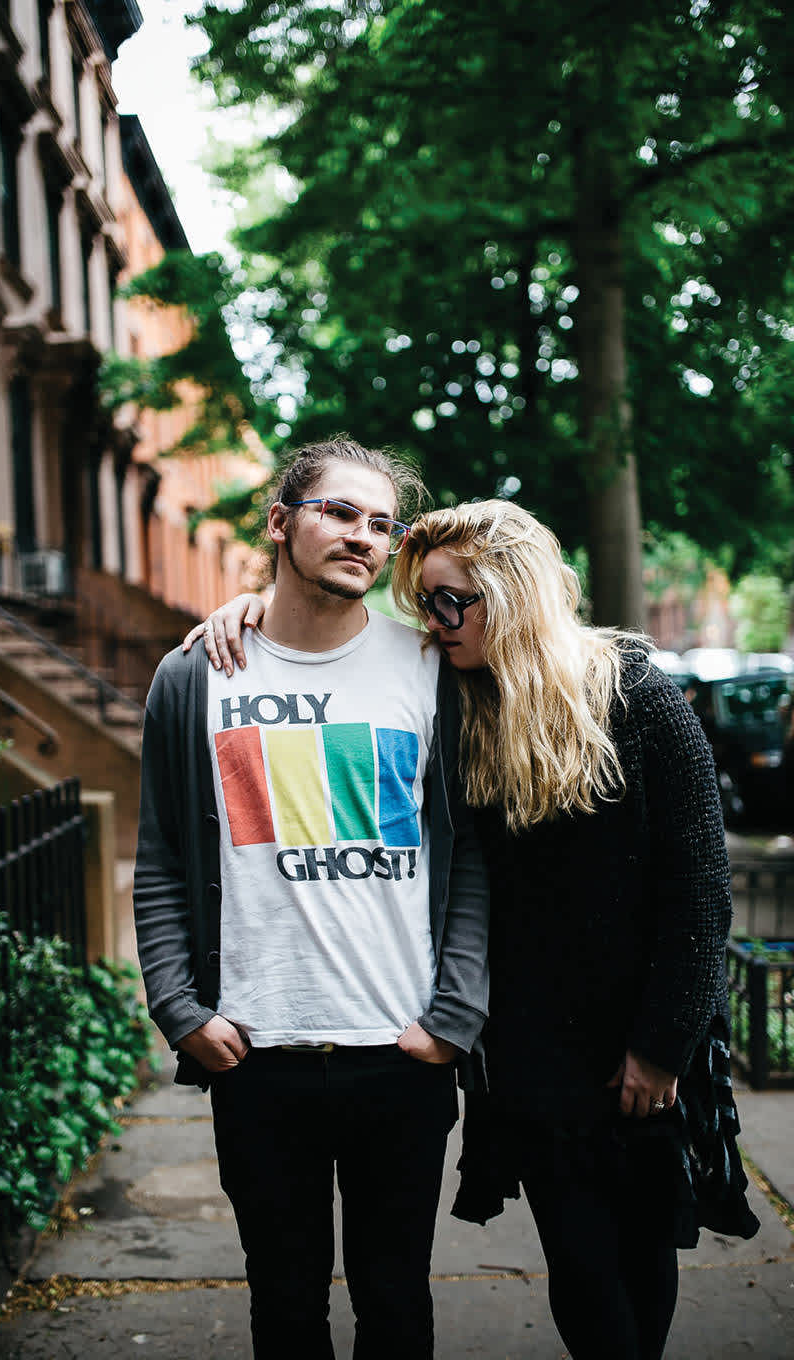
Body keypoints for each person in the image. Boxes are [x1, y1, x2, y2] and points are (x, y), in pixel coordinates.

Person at [190, 498, 757, 1359]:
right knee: (582, 1275)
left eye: (456, 601)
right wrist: (248, 611)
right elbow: (334, 651)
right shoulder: (460, 694)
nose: (436, 621)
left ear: (516, 593)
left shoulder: (635, 693)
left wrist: (664, 1044)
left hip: (639, 1044)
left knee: (640, 1264)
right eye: (427, 601)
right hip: (529, 1057)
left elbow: (701, 888)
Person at [134, 438, 491, 1359]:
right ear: (281, 522)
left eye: (382, 524)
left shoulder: (433, 671)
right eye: (339, 512)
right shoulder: (194, 677)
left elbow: (475, 856)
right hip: (255, 1053)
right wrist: (180, 1010)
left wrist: (453, 1015)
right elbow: (164, 857)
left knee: (396, 1304)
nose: (364, 537)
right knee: (284, 1307)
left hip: (401, 1053)